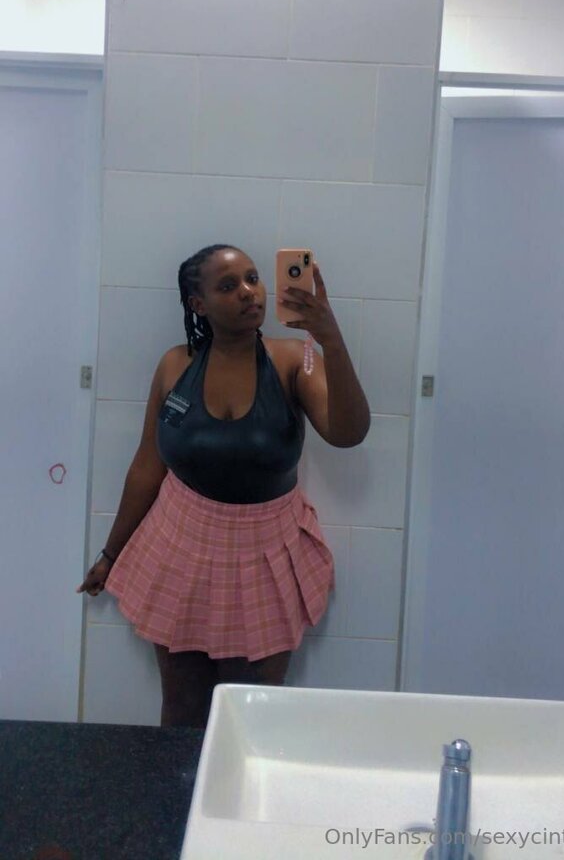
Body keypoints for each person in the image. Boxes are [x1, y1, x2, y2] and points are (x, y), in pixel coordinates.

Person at [77, 244, 370, 727]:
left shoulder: (294, 359)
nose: (248, 293)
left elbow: (349, 433)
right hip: (180, 547)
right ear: (199, 304)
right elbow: (147, 467)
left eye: (253, 279)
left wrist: (330, 339)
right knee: (182, 709)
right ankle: (178, 782)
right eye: (228, 286)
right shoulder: (175, 366)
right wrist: (110, 555)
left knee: (251, 716)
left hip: (266, 553)